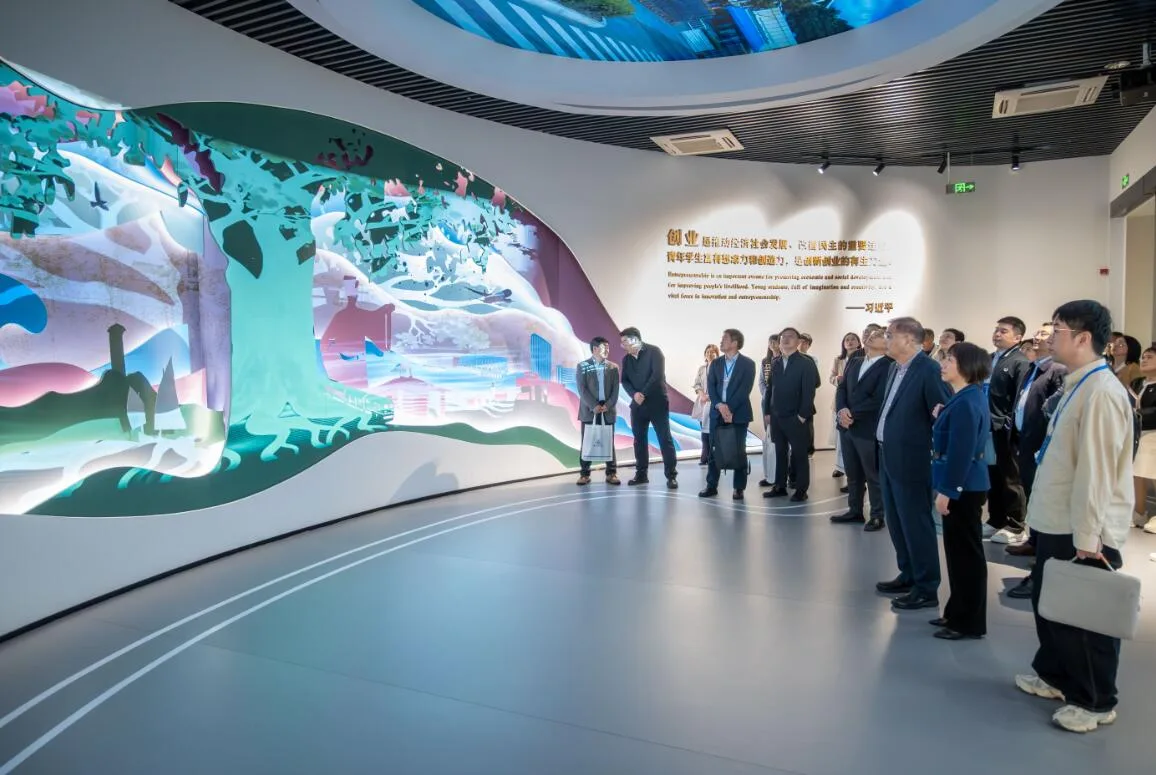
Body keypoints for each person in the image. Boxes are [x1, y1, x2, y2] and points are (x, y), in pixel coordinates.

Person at [1016, 300, 1135, 734]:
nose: (1049, 338)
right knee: (1050, 606)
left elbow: (1096, 472)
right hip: (1056, 519)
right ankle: (1055, 676)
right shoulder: (1077, 384)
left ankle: (1095, 700)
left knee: (1085, 618)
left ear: (1083, 338)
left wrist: (1088, 535)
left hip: (1081, 528)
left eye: (1058, 330)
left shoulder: (1102, 392)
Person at [874, 316, 952, 610]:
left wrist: (938, 458)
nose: (885, 339)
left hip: (913, 458)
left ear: (908, 339)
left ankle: (926, 586)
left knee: (915, 522)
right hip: (889, 454)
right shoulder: (895, 368)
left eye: (889, 334)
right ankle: (908, 574)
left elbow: (942, 417)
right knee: (897, 521)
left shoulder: (929, 370)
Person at [929, 342, 992, 640]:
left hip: (963, 487)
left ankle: (968, 622)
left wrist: (948, 491)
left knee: (966, 557)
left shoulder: (967, 401)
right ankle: (956, 612)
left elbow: (961, 452)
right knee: (957, 554)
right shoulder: (965, 397)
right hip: (962, 485)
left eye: (950, 360)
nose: (943, 364)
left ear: (967, 366)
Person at [1005, 324, 1068, 599]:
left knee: (1041, 495)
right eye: (1040, 333)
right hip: (1025, 440)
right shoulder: (1034, 367)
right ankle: (1035, 540)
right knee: (1032, 492)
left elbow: (1054, 410)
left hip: (1040, 444)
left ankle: (1043, 549)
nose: (1040, 337)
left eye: (1047, 333)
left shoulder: (1058, 369)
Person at [832, 327, 891, 531]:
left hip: (868, 428)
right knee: (853, 473)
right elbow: (842, 388)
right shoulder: (854, 361)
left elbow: (879, 398)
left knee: (873, 474)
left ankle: (877, 515)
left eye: (878, 335)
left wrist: (851, 414)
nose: (870, 336)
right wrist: (842, 410)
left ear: (887, 344)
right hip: (847, 427)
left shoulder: (888, 365)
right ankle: (855, 510)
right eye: (869, 334)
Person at [987, 316, 1032, 545]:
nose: (997, 334)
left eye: (1003, 331)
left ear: (1018, 337)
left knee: (1011, 477)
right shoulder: (989, 358)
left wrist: (1009, 424)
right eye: (996, 330)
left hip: (1005, 429)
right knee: (993, 474)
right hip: (987, 426)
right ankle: (995, 519)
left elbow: (1020, 397)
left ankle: (1015, 525)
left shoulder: (1020, 362)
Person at [700, 329, 756, 501]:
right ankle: (711, 485)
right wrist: (719, 405)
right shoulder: (716, 363)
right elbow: (711, 386)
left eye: (725, 338)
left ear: (735, 343)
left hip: (738, 413)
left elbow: (745, 390)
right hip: (717, 413)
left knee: (739, 450)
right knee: (713, 450)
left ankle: (739, 488)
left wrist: (729, 408)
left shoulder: (748, 364)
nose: (721, 341)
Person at [619, 327, 679, 489]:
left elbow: (657, 376)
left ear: (634, 339)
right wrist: (634, 394)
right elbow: (624, 381)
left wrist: (642, 393)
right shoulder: (626, 360)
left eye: (625, 341)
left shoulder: (654, 352)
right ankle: (641, 475)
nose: (623, 345)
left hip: (657, 403)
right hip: (638, 405)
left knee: (664, 438)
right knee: (639, 440)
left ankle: (671, 476)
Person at [765, 327, 820, 502]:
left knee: (799, 455)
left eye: (791, 337)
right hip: (777, 416)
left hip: (796, 417)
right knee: (780, 452)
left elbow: (809, 391)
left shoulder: (806, 363)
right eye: (783, 337)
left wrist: (802, 416)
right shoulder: (775, 362)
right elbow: (770, 389)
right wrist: (767, 412)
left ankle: (801, 490)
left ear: (798, 342)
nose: (786, 339)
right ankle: (780, 486)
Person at [575, 337, 621, 486]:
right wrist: (593, 405)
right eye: (603, 347)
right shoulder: (583, 366)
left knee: (608, 441)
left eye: (608, 347)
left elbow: (615, 390)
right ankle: (584, 474)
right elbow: (582, 389)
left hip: (607, 409)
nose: (607, 350)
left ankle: (611, 473)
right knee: (587, 441)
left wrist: (608, 405)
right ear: (594, 349)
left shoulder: (613, 367)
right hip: (590, 410)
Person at [828, 332, 862, 479]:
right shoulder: (839, 359)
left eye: (853, 339)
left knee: (853, 438)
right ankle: (839, 467)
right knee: (840, 437)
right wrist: (838, 379)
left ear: (859, 342)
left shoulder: (864, 357)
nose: (850, 342)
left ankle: (854, 470)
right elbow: (831, 378)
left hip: (857, 402)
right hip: (840, 401)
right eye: (847, 340)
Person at [1131, 345, 1156, 533]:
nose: (1144, 360)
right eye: (1143, 357)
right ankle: (1139, 512)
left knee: (1153, 473)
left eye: (1150, 357)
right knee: (1137, 473)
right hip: (1138, 433)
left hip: (1153, 433)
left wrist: (1136, 413)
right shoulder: (1137, 383)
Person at [758, 334, 781, 487]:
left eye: (775, 341)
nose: (772, 344)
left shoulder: (785, 359)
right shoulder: (765, 361)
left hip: (783, 404)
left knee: (782, 440)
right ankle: (770, 474)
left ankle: (783, 474)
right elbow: (761, 382)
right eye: (770, 342)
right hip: (767, 403)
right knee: (769, 437)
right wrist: (767, 396)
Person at [692, 344, 720, 465]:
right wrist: (702, 394)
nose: (710, 354)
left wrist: (711, 396)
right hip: (702, 403)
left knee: (714, 432)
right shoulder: (702, 369)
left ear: (717, 354)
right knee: (704, 432)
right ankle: (705, 457)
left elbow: (722, 386)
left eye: (713, 352)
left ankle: (714, 458)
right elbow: (697, 384)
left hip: (715, 403)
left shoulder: (721, 368)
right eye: (708, 352)